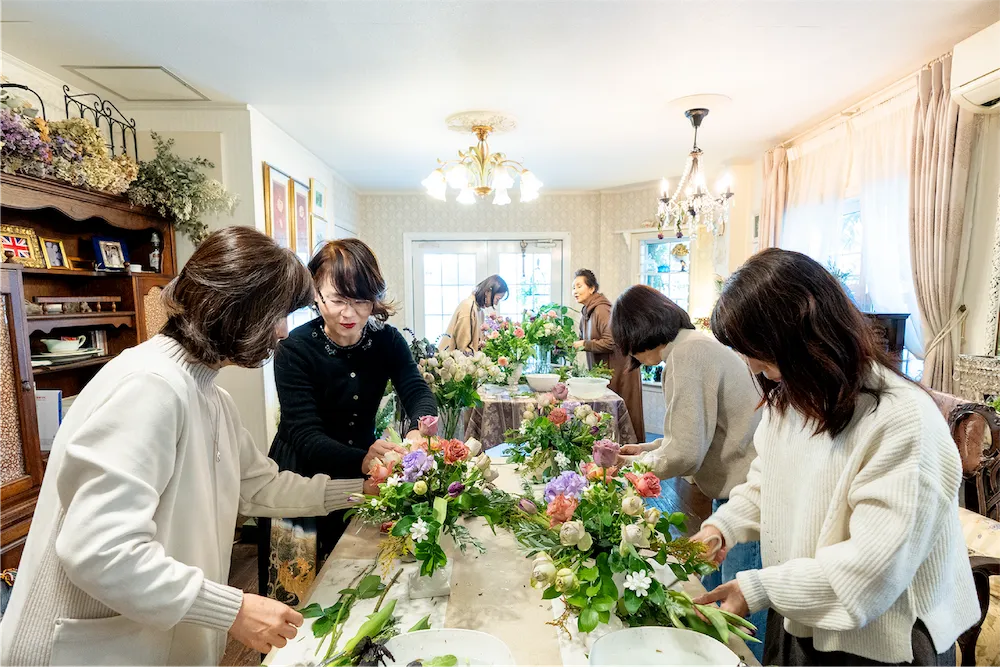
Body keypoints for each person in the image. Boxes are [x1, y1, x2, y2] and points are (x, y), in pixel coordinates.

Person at [0, 227, 364, 664]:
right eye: (276, 316)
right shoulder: (149, 387)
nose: (283, 332)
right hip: (89, 651)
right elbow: (99, 550)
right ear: (236, 311)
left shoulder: (211, 395)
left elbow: (259, 487)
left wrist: (361, 492)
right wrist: (233, 609)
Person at [692, 249, 978, 666]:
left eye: (757, 349)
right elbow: (767, 484)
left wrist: (758, 589)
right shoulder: (792, 398)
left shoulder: (902, 421)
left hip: (886, 637)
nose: (750, 365)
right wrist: (722, 527)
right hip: (803, 604)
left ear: (804, 334)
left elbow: (871, 573)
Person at [260, 238, 436, 605]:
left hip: (361, 469)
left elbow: (415, 389)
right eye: (337, 300)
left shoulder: (387, 340)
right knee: (300, 591)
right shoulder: (294, 349)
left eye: (361, 300)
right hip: (302, 474)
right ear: (316, 294)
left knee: (358, 577)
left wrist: (419, 430)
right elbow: (305, 434)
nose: (349, 313)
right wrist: (364, 459)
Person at [610, 283, 766, 658]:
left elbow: (685, 453)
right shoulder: (694, 345)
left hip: (747, 498)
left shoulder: (686, 355)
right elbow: (693, 436)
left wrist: (629, 471)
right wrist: (643, 451)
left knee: (739, 621)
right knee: (715, 602)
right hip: (739, 493)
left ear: (638, 334)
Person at [570, 269, 643, 442]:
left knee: (624, 418)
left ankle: (632, 453)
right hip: (605, 372)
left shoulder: (602, 309)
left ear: (592, 288)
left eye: (579, 286)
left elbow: (611, 342)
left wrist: (584, 344)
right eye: (573, 287)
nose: (575, 291)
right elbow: (582, 340)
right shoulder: (586, 312)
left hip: (620, 371)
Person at [439, 274, 508, 352]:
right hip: (452, 358)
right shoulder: (468, 307)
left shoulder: (479, 311)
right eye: (497, 299)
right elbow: (463, 348)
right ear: (487, 292)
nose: (496, 303)